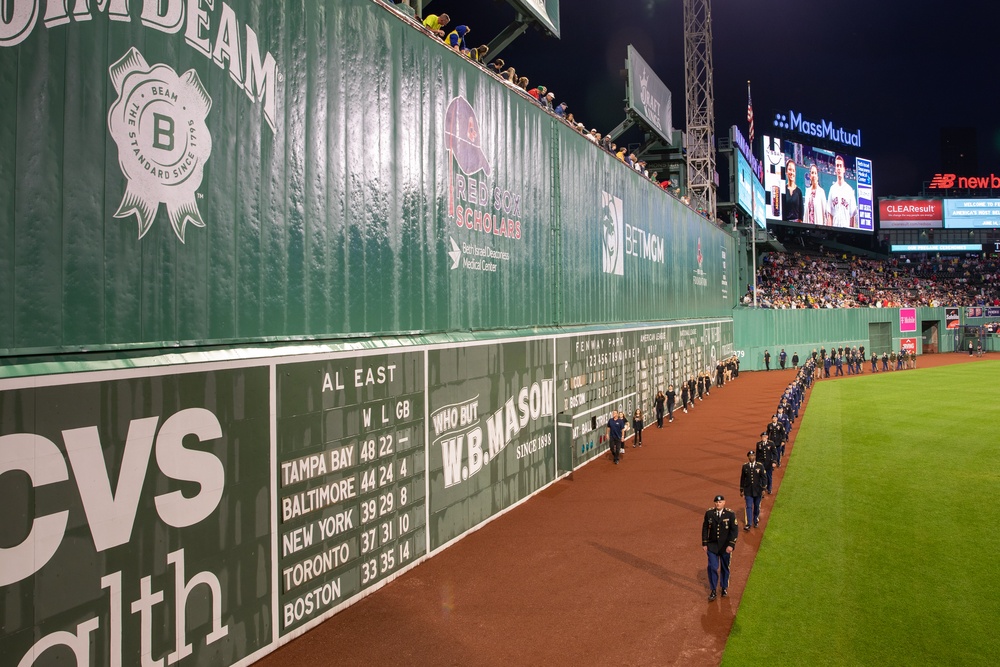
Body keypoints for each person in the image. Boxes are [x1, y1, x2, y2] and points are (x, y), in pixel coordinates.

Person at [702, 495, 739, 601]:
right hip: (712, 546)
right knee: (712, 567)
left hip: (725, 547)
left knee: (724, 567)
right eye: (716, 502)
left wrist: (731, 545)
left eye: (720, 502)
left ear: (724, 503)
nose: (718, 504)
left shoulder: (730, 514)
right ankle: (713, 589)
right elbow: (705, 528)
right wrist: (704, 543)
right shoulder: (709, 513)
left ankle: (724, 587)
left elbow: (734, 531)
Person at [826, 155, 858, 228]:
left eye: (840, 166)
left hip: (845, 230)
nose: (839, 168)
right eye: (837, 166)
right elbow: (830, 215)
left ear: (844, 169)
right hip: (834, 230)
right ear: (835, 169)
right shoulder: (832, 189)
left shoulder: (849, 190)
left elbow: (852, 216)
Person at [740, 450, 767, 530]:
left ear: (755, 457)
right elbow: (742, 478)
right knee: (748, 506)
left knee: (756, 506)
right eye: (750, 456)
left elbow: (764, 478)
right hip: (748, 490)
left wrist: (763, 488)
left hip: (758, 490)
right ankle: (749, 523)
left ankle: (755, 520)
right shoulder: (745, 466)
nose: (752, 457)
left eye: (753, 456)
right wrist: (741, 489)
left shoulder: (760, 466)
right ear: (748, 457)